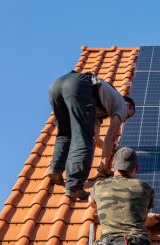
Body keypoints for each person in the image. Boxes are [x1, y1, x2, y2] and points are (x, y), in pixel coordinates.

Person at [47, 71, 136, 200]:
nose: (124, 119)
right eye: (128, 115)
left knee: (65, 133)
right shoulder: (122, 104)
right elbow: (109, 137)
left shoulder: (99, 104)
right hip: (79, 86)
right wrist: (104, 168)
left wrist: (113, 148)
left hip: (58, 85)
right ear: (128, 105)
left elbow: (97, 138)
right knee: (83, 139)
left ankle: (55, 169)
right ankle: (74, 187)